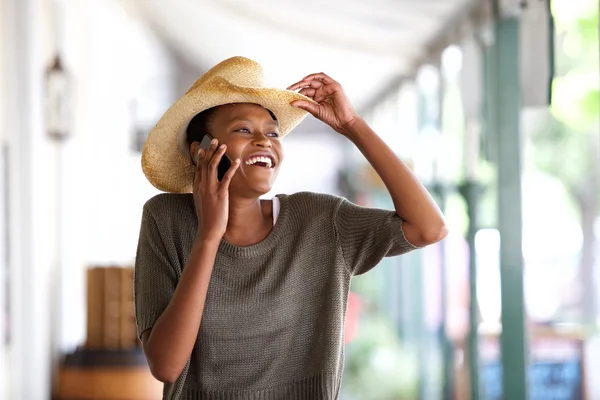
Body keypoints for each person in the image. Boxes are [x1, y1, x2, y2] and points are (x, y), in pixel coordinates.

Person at [135, 56, 447, 400]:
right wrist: (209, 235)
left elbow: (428, 228)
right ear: (201, 152)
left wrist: (352, 124)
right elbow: (165, 366)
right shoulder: (165, 219)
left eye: (272, 132)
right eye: (243, 130)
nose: (265, 141)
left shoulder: (319, 220)